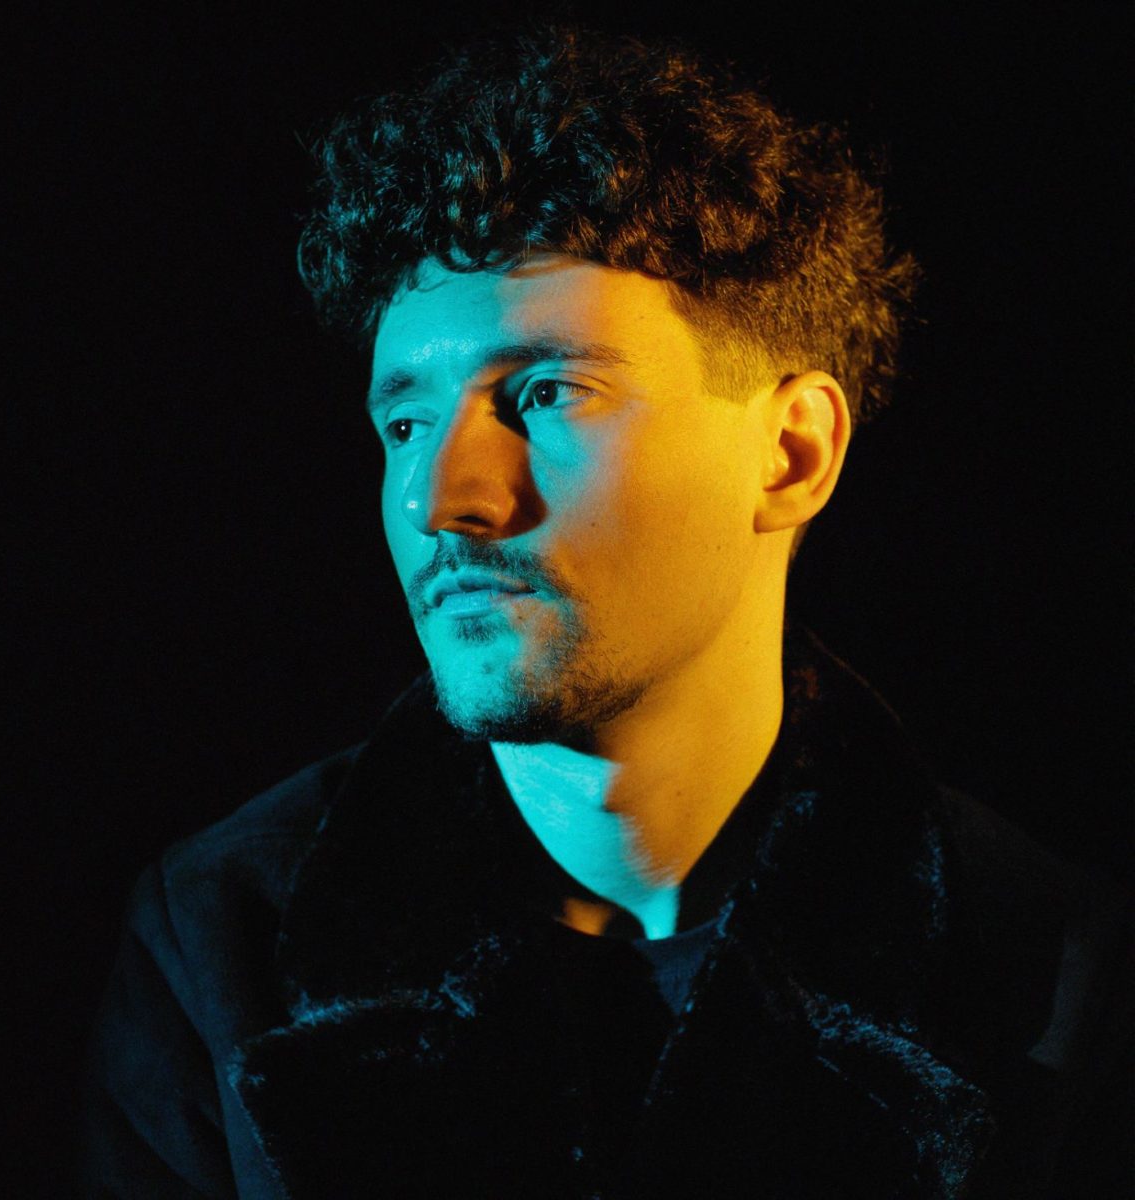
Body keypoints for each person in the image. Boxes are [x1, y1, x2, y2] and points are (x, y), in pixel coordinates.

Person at [82, 27, 1131, 1198]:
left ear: (792, 452)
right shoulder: (221, 945)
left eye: (545, 394)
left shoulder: (1055, 980)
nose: (442, 498)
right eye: (406, 423)